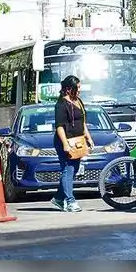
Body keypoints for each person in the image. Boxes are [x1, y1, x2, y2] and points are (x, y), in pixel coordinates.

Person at [53, 75, 94, 212]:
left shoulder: (78, 101)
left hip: (78, 141)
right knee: (68, 169)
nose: (80, 90)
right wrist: (65, 143)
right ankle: (70, 201)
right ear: (69, 89)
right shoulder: (61, 104)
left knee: (73, 170)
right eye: (78, 88)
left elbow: (82, 122)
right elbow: (59, 126)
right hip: (65, 141)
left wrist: (88, 137)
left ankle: (58, 198)